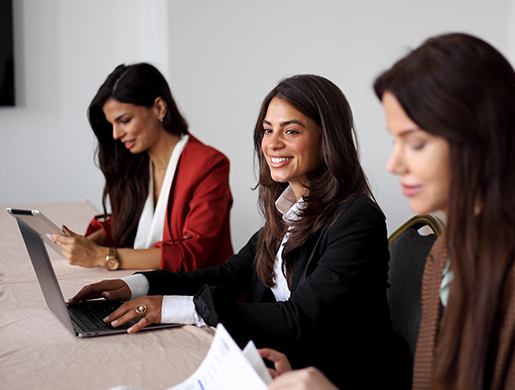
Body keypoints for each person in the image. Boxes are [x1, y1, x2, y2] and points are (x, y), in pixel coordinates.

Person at [260, 32, 515, 390]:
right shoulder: (446, 252)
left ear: (480, 141)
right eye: (396, 141)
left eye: (416, 143)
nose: (394, 163)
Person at [69, 74, 411, 389]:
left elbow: (299, 317)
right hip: (283, 363)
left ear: (327, 139)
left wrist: (171, 308)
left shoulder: (357, 219)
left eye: (291, 131)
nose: (272, 143)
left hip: (340, 377)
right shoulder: (288, 210)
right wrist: (136, 285)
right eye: (267, 130)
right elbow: (228, 274)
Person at [52, 63, 233, 272]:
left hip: (200, 296)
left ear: (159, 108)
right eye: (112, 124)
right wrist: (86, 244)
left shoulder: (209, 164)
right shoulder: (138, 162)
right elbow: (128, 220)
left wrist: (102, 256)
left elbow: (190, 254)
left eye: (125, 121)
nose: (115, 134)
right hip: (150, 288)